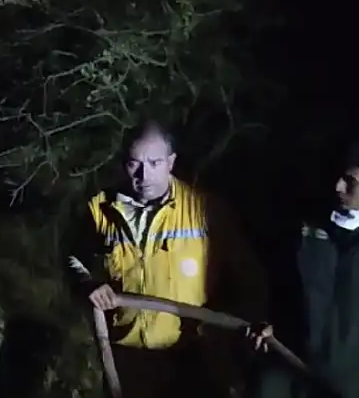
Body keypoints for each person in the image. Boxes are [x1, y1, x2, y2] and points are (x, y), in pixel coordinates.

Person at [67, 120, 266, 398]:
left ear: (171, 162)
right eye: (134, 163)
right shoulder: (101, 210)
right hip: (127, 355)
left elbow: (247, 273)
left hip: (191, 357)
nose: (144, 174)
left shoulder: (205, 210)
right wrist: (88, 282)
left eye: (154, 162)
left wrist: (250, 322)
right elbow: (73, 257)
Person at [249, 141, 359, 398]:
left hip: (349, 387)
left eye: (350, 181)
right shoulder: (303, 230)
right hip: (288, 376)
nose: (338, 187)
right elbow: (272, 286)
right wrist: (267, 323)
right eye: (338, 177)